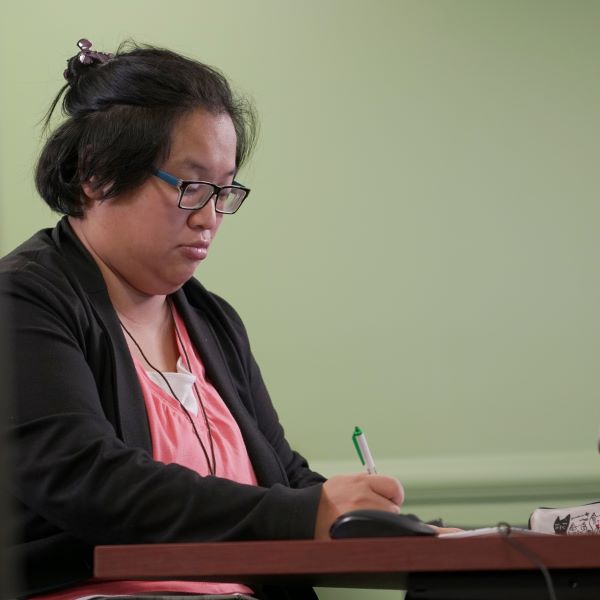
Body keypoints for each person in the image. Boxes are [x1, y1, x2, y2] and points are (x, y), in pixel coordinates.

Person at [1, 40, 405, 600]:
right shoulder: (21, 298)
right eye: (191, 187)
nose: (211, 217)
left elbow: (282, 479)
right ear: (95, 175)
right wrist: (301, 512)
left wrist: (371, 518)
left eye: (224, 191)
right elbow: (86, 479)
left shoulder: (211, 321)